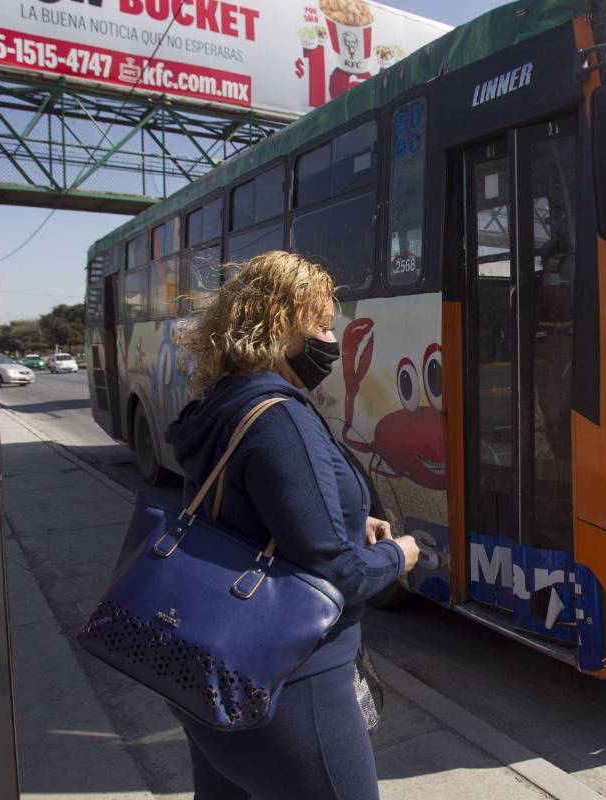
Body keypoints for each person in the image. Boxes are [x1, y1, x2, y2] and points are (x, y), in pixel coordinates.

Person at [164, 250, 420, 800]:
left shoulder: (223, 401)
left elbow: (247, 512)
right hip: (290, 680)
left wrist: (351, 519)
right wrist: (400, 554)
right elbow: (337, 572)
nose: (331, 339)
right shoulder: (278, 419)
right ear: (277, 326)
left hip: (216, 661)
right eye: (321, 325)